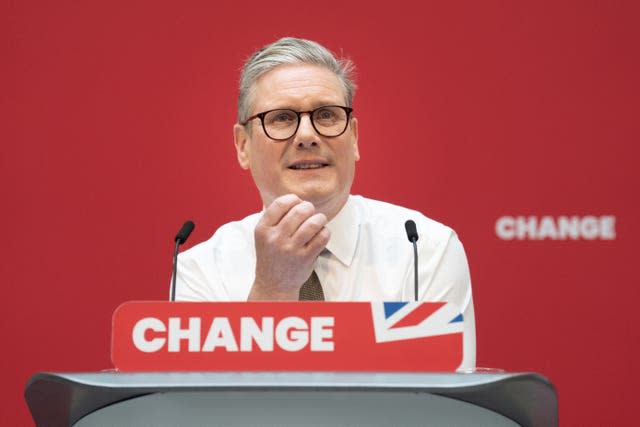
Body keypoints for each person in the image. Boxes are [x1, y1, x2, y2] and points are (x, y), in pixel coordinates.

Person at [175, 37, 476, 368]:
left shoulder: (424, 249)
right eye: (282, 118)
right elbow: (210, 411)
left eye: (327, 115)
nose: (307, 135)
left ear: (355, 138)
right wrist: (273, 290)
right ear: (242, 146)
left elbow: (443, 409)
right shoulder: (200, 269)